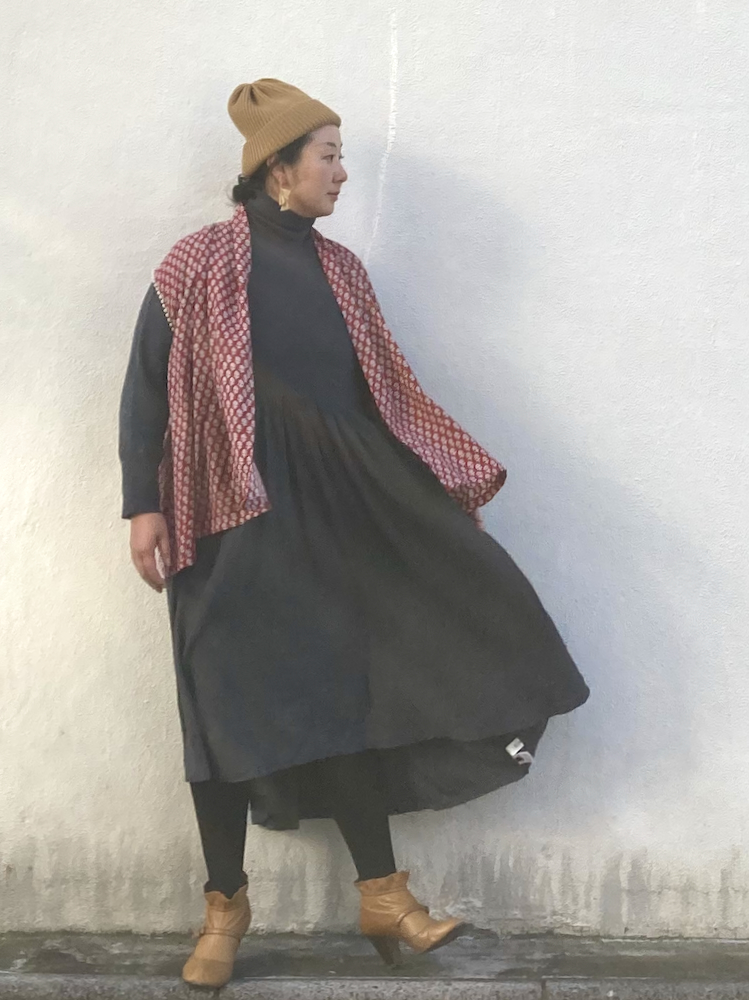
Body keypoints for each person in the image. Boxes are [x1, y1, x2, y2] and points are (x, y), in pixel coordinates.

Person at [118, 77, 590, 988]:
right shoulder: (196, 264)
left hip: (338, 511)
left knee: (340, 698)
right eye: (328, 156)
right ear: (277, 167)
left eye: (341, 156)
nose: (341, 173)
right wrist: (145, 502)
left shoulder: (342, 273)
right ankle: (224, 907)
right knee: (219, 704)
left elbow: (386, 398)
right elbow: (146, 386)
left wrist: (433, 490)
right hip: (229, 509)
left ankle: (383, 894)